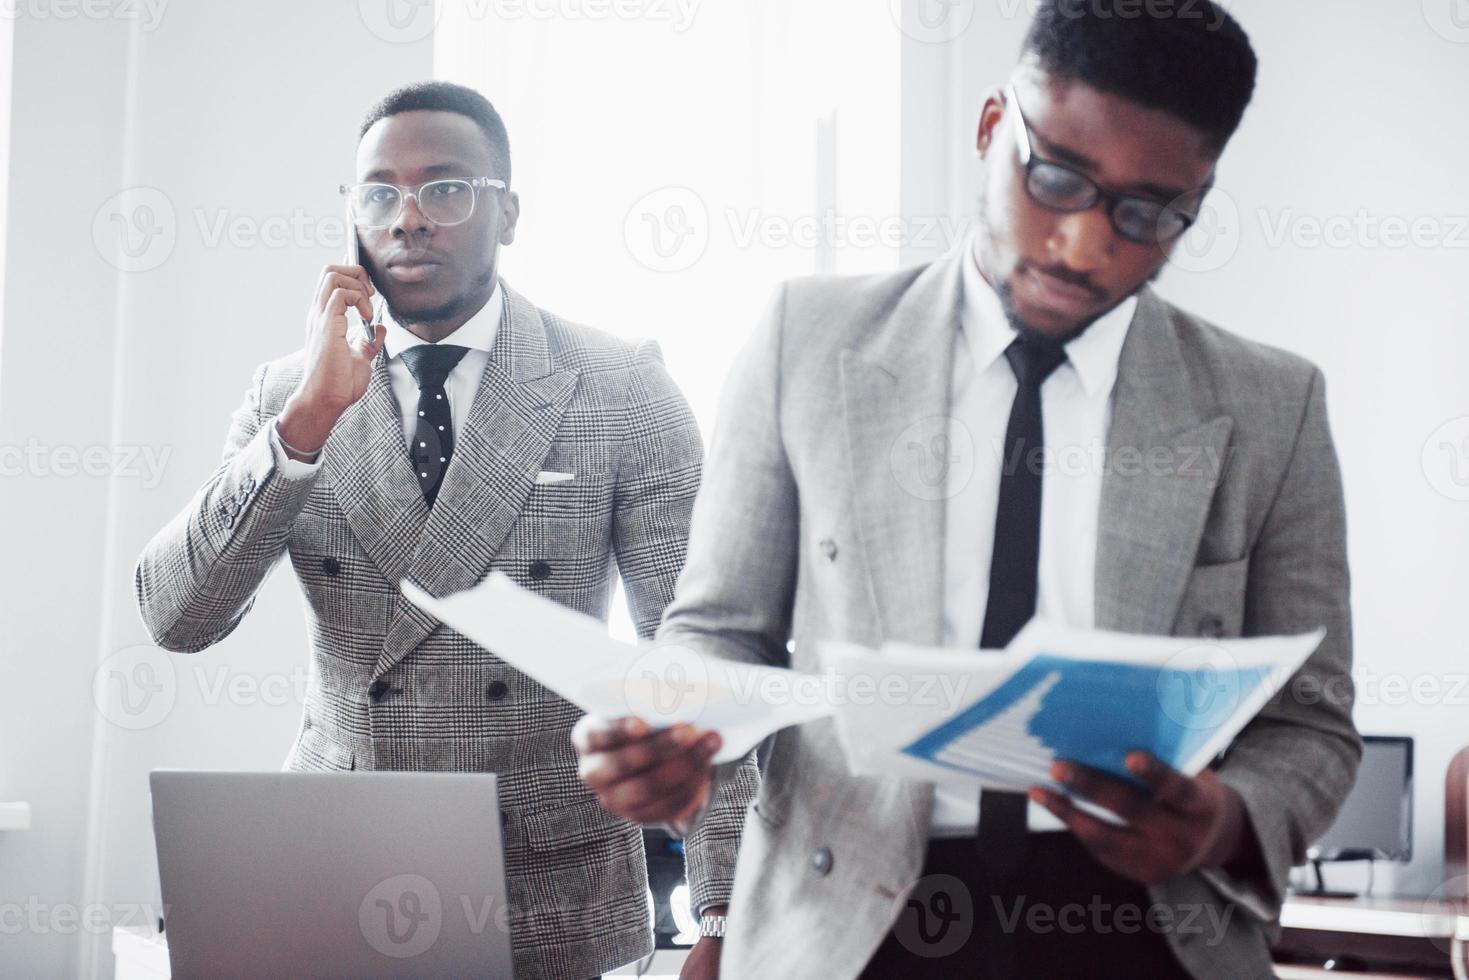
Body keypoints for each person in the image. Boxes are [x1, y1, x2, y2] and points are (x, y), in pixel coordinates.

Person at [574, 4, 1359, 977]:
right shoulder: (802, 341)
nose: (1080, 245)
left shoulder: (1269, 404)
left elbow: (1311, 723)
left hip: (1141, 928)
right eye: (1055, 177)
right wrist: (679, 720)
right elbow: (720, 627)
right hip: (850, 917)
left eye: (1145, 212)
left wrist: (1219, 823)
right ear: (991, 126)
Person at [134, 81, 750, 980]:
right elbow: (176, 620)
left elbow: (697, 656)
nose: (409, 218)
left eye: (446, 188)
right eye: (379, 193)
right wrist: (307, 419)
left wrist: (724, 907)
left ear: (507, 213)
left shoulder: (620, 386)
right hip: (332, 865)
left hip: (546, 888)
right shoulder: (288, 397)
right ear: (352, 216)